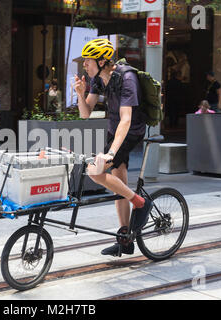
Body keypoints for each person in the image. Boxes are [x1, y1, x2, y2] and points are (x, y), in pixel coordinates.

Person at [74, 38, 153, 257]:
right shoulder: (98, 79)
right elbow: (85, 113)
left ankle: (140, 203)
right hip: (114, 130)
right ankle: (125, 239)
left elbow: (126, 120)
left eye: (87, 61)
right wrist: (81, 94)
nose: (84, 65)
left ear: (101, 61)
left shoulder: (127, 79)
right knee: (118, 182)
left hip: (131, 131)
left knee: (95, 171)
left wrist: (110, 152)